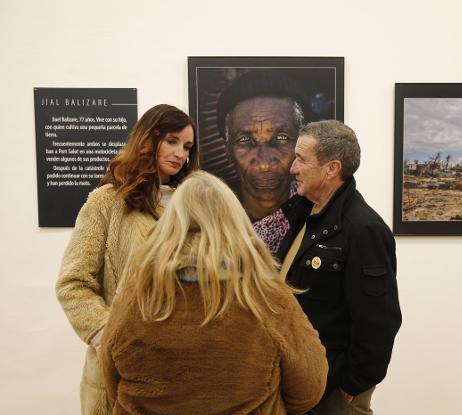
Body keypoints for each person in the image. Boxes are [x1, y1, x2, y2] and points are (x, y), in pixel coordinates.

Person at [99, 171, 328, 415]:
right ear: (233, 219)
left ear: (172, 222)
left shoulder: (138, 293)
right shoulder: (265, 295)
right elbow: (309, 388)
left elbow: (111, 376)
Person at [55, 104, 200, 415]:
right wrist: (110, 338)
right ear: (149, 139)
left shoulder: (193, 208)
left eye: (187, 147)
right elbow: (73, 283)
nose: (180, 154)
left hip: (181, 365)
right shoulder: (109, 201)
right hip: (119, 370)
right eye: (172, 141)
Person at [277, 120, 402, 414]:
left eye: (301, 159)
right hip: (305, 383)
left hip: (334, 392)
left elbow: (379, 323)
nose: (292, 168)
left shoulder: (364, 229)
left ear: (332, 168)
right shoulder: (305, 215)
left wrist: (349, 389)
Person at [217, 69, 311, 252]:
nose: (264, 164)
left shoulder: (321, 220)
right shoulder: (209, 224)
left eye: (281, 138)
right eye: (245, 140)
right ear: (227, 150)